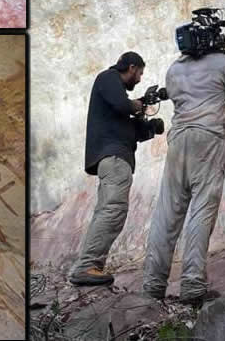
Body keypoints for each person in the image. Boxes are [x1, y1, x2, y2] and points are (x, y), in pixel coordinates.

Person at [141, 46, 225, 304]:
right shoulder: (221, 62)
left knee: (167, 212)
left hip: (178, 139)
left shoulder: (174, 70)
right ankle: (192, 284)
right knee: (201, 209)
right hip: (207, 138)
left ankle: (153, 285)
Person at [68, 51, 156, 286]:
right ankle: (87, 266)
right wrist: (136, 104)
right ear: (131, 66)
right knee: (113, 209)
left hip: (117, 156)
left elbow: (132, 128)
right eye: (139, 73)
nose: (139, 79)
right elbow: (120, 104)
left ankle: (90, 265)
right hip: (114, 157)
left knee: (107, 210)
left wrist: (149, 126)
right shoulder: (108, 77)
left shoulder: (116, 99)